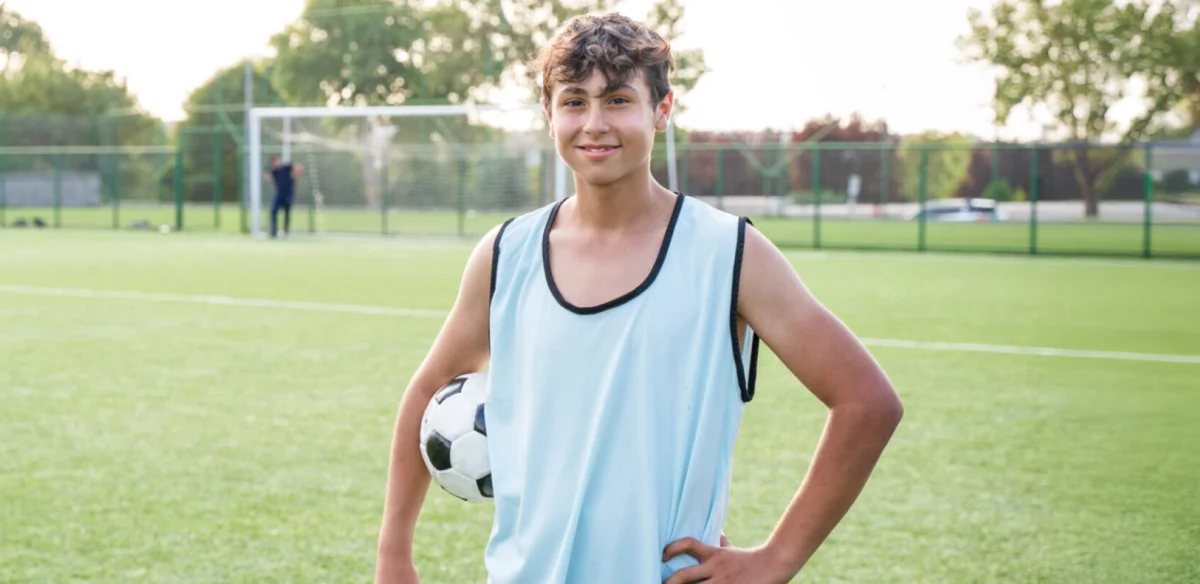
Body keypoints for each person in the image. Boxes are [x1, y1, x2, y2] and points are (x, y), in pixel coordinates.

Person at [374, 12, 903, 584]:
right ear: (549, 115)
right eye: (574, 101)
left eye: (619, 99)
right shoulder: (506, 255)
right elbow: (428, 391)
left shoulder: (729, 254)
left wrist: (778, 558)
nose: (595, 123)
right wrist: (393, 553)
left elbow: (866, 402)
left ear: (663, 110)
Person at [266, 156, 302, 238]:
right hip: (278, 195)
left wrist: (296, 174)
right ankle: (274, 231)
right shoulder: (274, 171)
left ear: (278, 161)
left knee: (287, 213)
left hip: (288, 194)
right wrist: (270, 175)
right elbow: (269, 178)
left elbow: (298, 167)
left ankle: (286, 230)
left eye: (276, 162)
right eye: (273, 163)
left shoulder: (287, 167)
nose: (275, 164)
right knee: (273, 211)